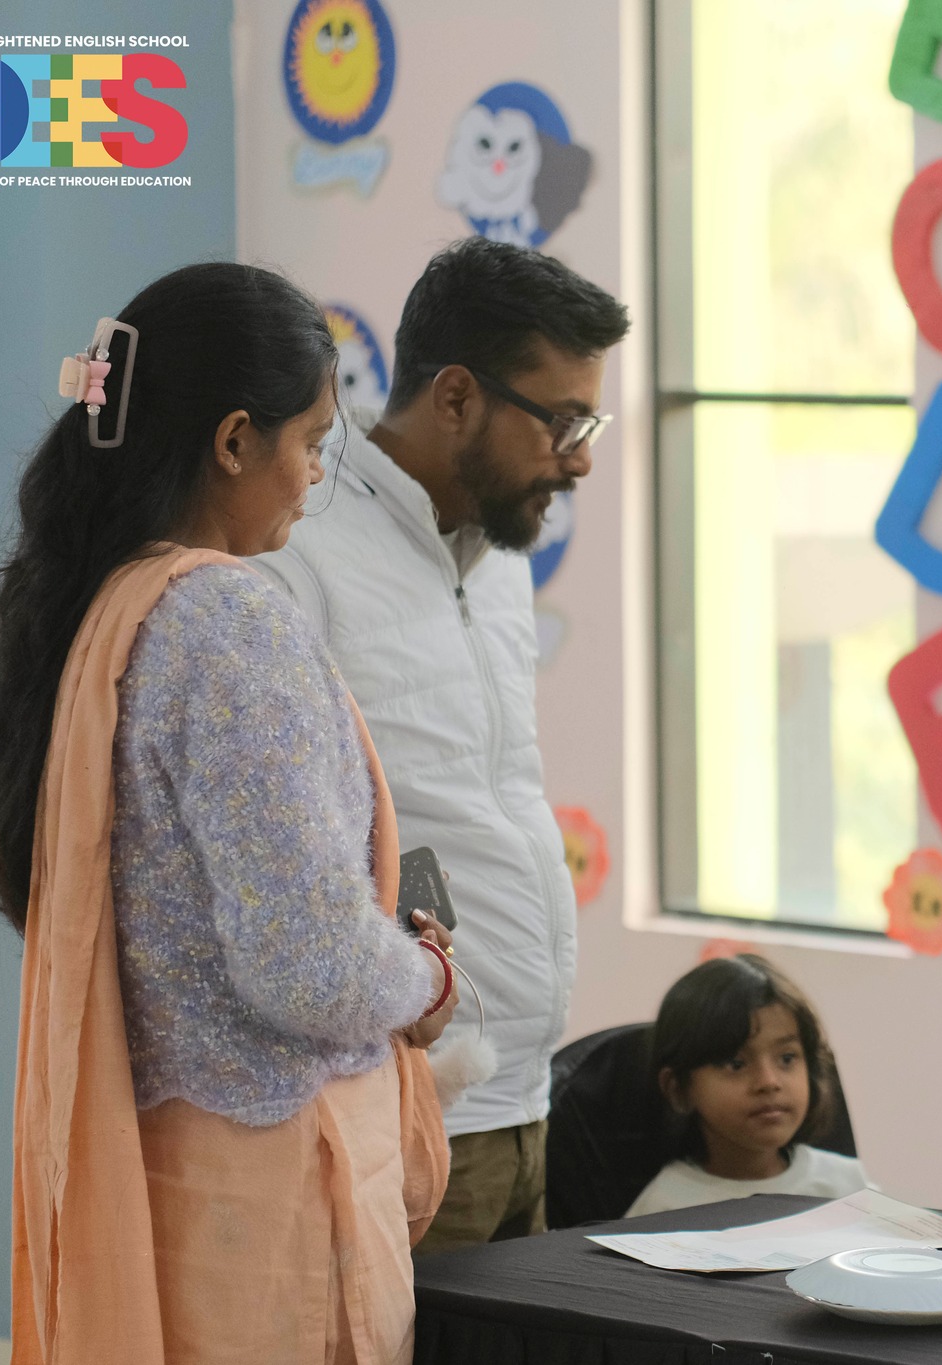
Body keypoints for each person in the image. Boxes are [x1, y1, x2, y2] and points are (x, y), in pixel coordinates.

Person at [0, 263, 455, 1363]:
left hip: (170, 1182)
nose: (312, 476)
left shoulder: (102, 603)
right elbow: (308, 965)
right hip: (274, 1208)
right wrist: (426, 977)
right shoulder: (224, 621)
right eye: (310, 445)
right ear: (234, 441)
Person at [255, 238, 630, 1255]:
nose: (581, 458)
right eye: (563, 422)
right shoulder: (301, 548)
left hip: (526, 1105)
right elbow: (291, 854)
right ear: (457, 397)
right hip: (407, 1111)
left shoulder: (498, 554)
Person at [626, 955, 870, 1217]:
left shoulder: (847, 1186)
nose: (769, 1082)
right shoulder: (664, 1208)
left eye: (787, 1058)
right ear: (679, 1090)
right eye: (736, 1064)